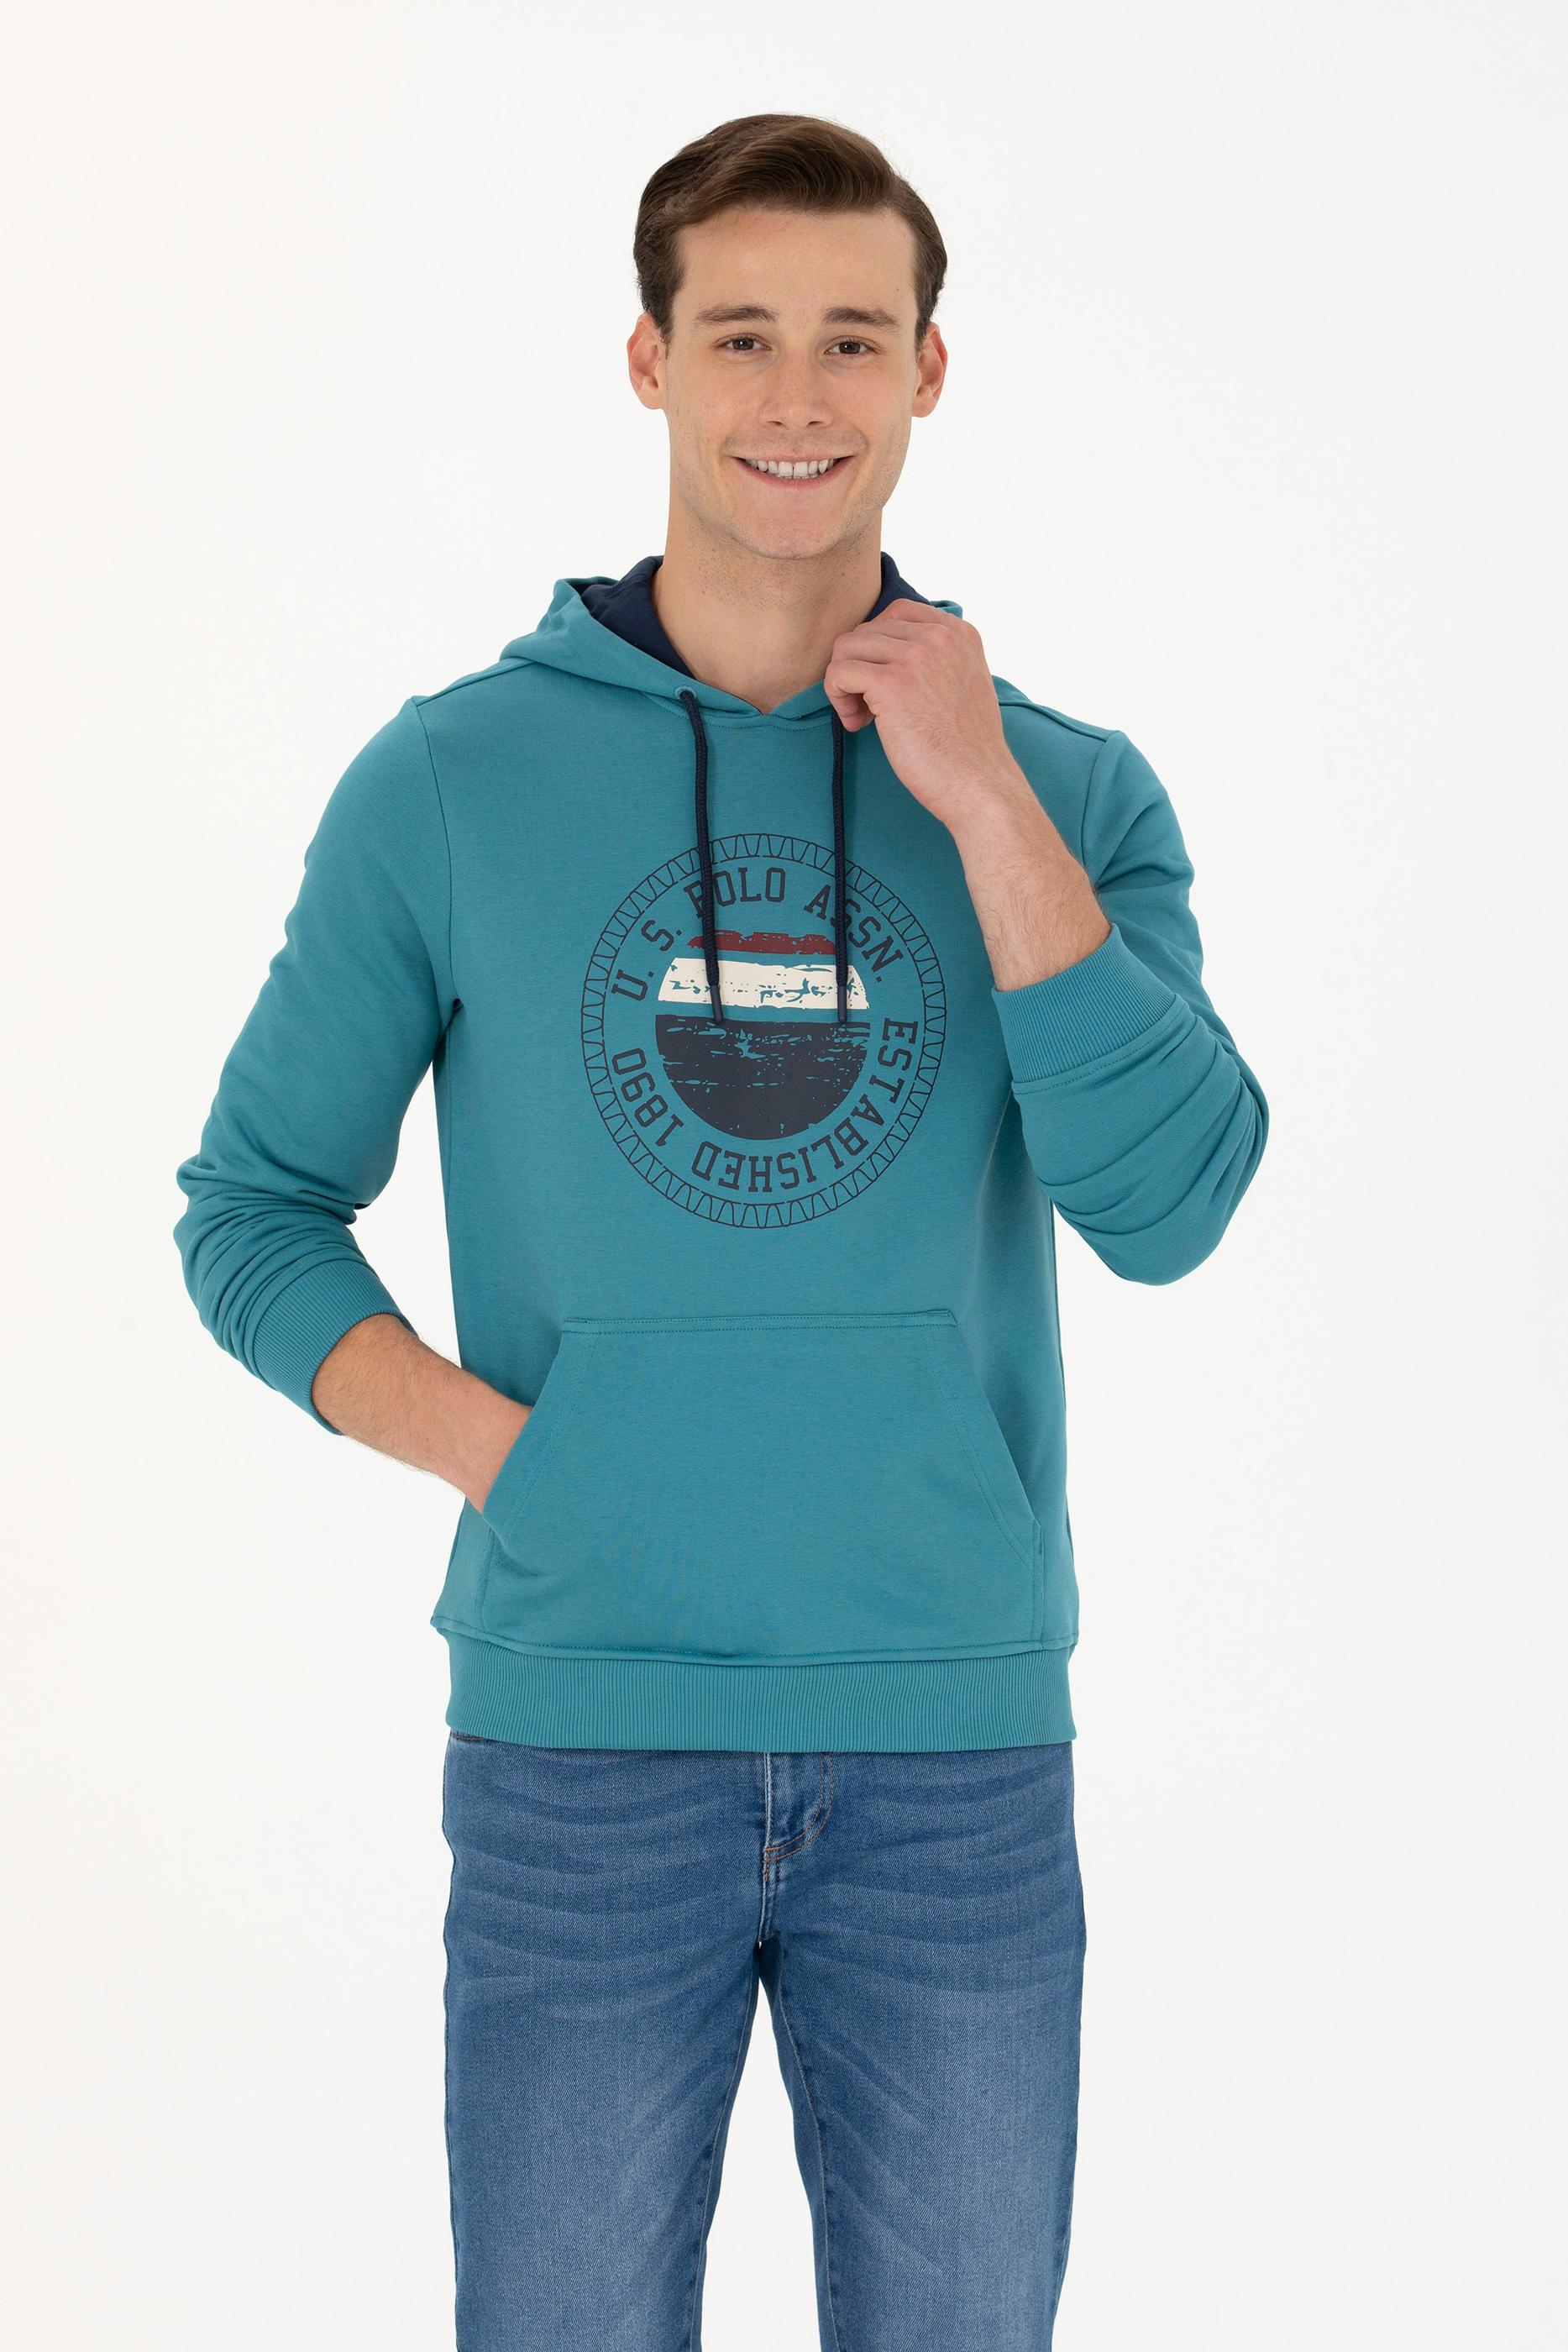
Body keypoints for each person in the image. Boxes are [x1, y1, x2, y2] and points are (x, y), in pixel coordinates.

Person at [173, 111, 1268, 2352]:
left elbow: (1169, 1208)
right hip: (582, 1746)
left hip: (951, 1747)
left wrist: (973, 788)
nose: (797, 396)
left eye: (852, 338)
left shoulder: (1069, 788)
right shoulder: (453, 780)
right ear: (649, 361)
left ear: (929, 371)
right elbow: (253, 1211)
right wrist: (513, 1457)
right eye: (742, 333)